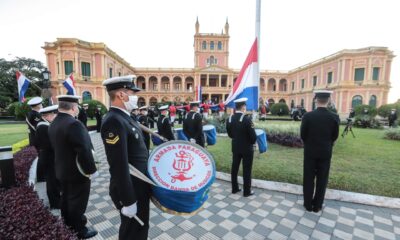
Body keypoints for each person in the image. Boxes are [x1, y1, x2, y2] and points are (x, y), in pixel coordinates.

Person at [101, 75, 151, 240]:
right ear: (121, 95)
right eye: (132, 92)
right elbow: (118, 165)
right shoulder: (113, 121)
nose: (136, 97)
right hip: (131, 188)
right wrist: (128, 200)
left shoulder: (125, 116)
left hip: (139, 185)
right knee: (132, 232)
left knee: (140, 228)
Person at [48, 95, 98, 239]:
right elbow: (84, 150)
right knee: (78, 202)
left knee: (66, 199)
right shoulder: (74, 124)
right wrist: (91, 170)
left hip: (62, 169)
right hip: (77, 172)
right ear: (73, 107)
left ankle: (68, 225)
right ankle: (79, 230)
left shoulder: (54, 122)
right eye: (77, 107)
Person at [301, 90, 339, 213]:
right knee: (322, 179)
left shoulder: (308, 116)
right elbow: (335, 136)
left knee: (308, 178)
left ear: (316, 100)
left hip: (310, 152)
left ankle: (307, 204)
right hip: (325, 152)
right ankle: (317, 206)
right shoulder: (334, 117)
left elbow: (303, 135)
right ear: (328, 101)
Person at [226, 98, 257, 197]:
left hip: (235, 147)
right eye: (245, 106)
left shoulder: (230, 118)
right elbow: (253, 137)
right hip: (247, 148)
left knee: (234, 168)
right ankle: (247, 191)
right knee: (247, 169)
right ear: (243, 106)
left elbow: (230, 134)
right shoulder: (247, 119)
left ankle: (234, 188)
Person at [36, 105, 61, 209]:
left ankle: (57, 200)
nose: (55, 116)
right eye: (53, 114)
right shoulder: (43, 126)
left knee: (54, 179)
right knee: (51, 181)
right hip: (48, 157)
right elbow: (49, 145)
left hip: (49, 156)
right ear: (47, 115)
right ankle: (55, 203)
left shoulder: (46, 125)